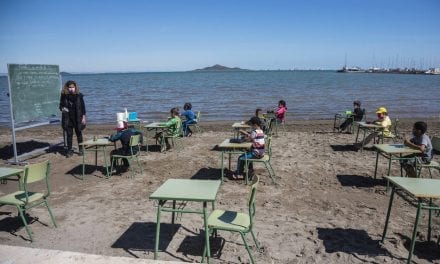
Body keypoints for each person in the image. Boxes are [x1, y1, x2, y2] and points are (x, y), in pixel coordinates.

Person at [59, 80, 86, 158]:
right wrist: (63, 109)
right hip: (67, 118)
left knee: (79, 134)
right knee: (69, 135)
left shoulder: (79, 95)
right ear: (67, 88)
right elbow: (60, 106)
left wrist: (84, 118)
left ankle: (81, 149)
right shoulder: (64, 95)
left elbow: (83, 108)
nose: (71, 89)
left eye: (73, 87)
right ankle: (69, 150)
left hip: (78, 118)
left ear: (75, 87)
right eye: (70, 87)